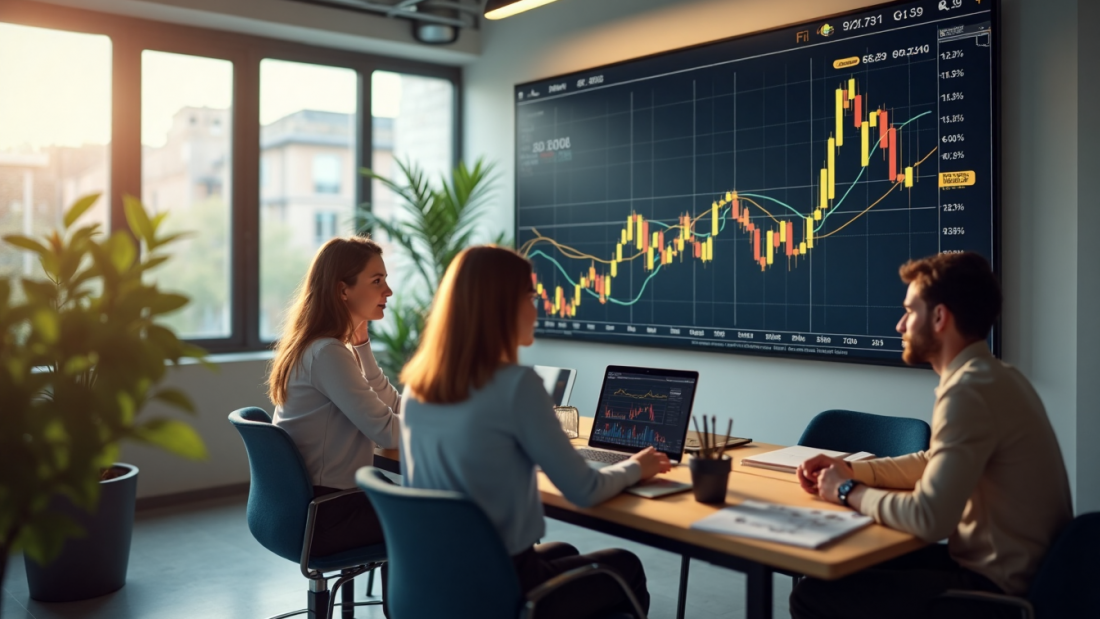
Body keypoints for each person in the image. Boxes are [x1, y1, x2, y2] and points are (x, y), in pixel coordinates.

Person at [790, 252, 1072, 619]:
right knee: (842, 569)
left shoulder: (969, 391)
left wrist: (845, 492)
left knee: (813, 596)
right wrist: (851, 470)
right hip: (1021, 575)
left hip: (996, 593)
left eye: (910, 311)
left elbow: (928, 519)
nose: (900, 325)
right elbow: (931, 462)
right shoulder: (997, 377)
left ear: (939, 317)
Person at [398, 245, 670, 619]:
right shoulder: (516, 385)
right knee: (624, 564)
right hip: (500, 587)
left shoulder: (417, 387)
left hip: (434, 581)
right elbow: (584, 491)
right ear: (501, 305)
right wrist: (637, 467)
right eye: (529, 296)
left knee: (564, 553)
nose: (536, 308)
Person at [268, 236, 400, 565]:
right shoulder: (327, 353)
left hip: (301, 508)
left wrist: (362, 345)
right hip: (327, 515)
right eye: (377, 281)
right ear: (343, 290)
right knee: (446, 517)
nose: (388, 291)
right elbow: (387, 432)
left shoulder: (322, 347)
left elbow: (393, 408)